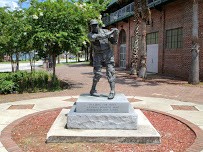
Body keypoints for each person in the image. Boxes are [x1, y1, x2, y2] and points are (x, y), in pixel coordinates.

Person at [88, 19, 119, 99]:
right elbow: (100, 37)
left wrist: (116, 34)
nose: (94, 27)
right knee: (97, 74)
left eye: (95, 25)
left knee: (111, 72)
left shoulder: (105, 31)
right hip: (98, 55)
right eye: (92, 26)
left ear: (98, 25)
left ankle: (112, 91)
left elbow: (114, 42)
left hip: (108, 53)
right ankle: (93, 90)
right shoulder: (90, 35)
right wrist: (111, 32)